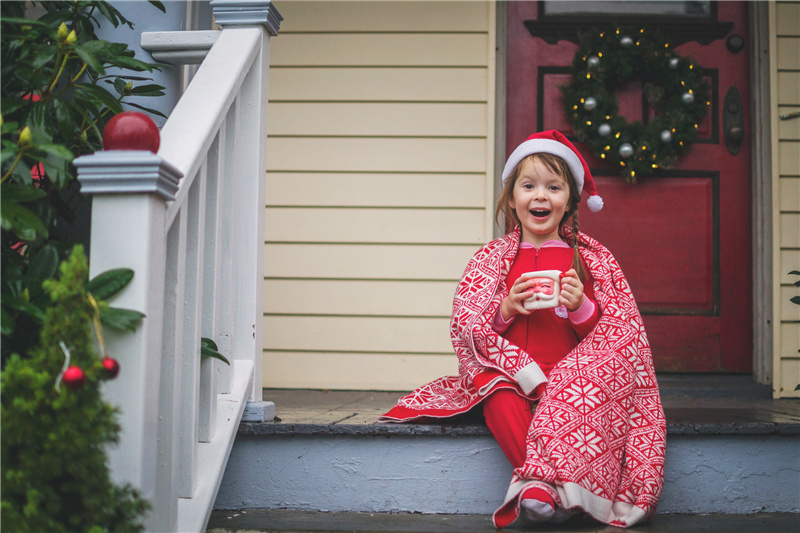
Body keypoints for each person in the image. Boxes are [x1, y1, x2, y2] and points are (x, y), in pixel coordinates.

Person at [379, 131, 666, 529]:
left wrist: (580, 305)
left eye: (553, 187)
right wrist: (507, 308)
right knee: (496, 395)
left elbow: (613, 339)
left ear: (569, 201)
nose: (541, 197)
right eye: (528, 186)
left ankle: (544, 489)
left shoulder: (588, 260)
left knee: (579, 397)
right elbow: (470, 327)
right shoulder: (492, 260)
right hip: (513, 376)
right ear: (512, 198)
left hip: (571, 380)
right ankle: (546, 486)